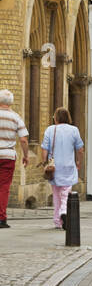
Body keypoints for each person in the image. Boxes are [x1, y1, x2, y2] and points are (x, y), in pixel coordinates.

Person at [40, 108, 84, 229]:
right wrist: (79, 161)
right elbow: (80, 149)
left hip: (54, 167)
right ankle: (63, 211)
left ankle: (57, 221)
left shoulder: (50, 129)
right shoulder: (74, 130)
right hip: (69, 166)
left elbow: (45, 148)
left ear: (56, 117)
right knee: (66, 192)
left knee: (56, 194)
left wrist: (44, 163)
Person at [0, 90, 31, 229]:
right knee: (3, 188)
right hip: (7, 156)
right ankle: (1, 218)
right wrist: (26, 155)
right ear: (11, 102)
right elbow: (23, 140)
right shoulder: (15, 117)